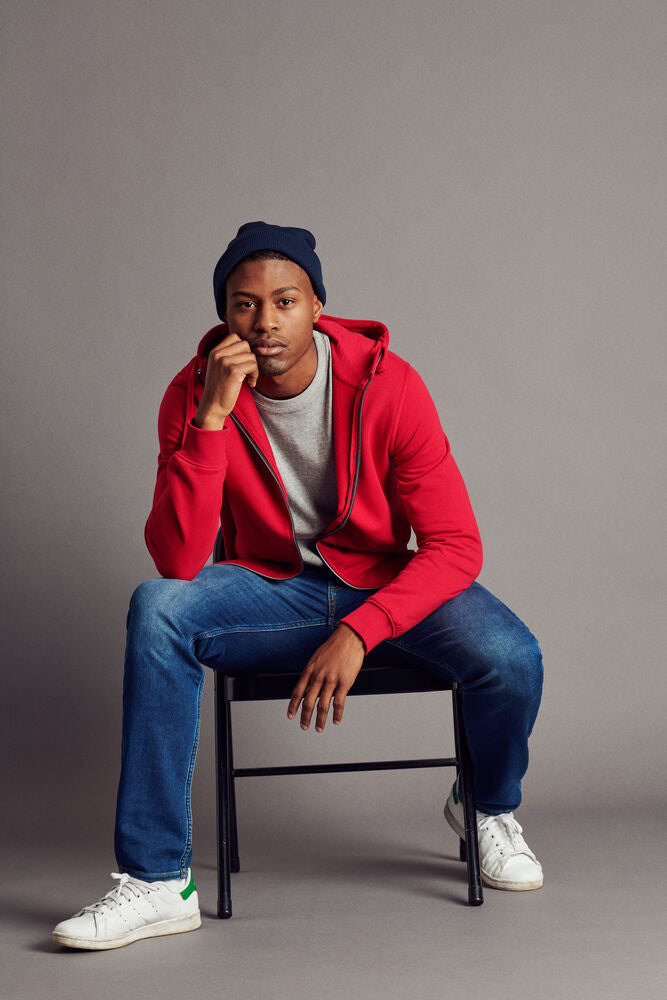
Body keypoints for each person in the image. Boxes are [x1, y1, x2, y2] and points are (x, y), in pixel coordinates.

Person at [53, 221, 544, 951]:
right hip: (271, 589)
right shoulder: (192, 394)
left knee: (510, 656)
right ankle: (157, 883)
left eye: (285, 301)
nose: (266, 322)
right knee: (158, 608)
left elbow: (454, 545)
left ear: (317, 305)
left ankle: (485, 807)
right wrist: (211, 417)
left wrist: (360, 632)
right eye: (245, 304)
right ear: (225, 314)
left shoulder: (388, 385)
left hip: (381, 584)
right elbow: (178, 561)